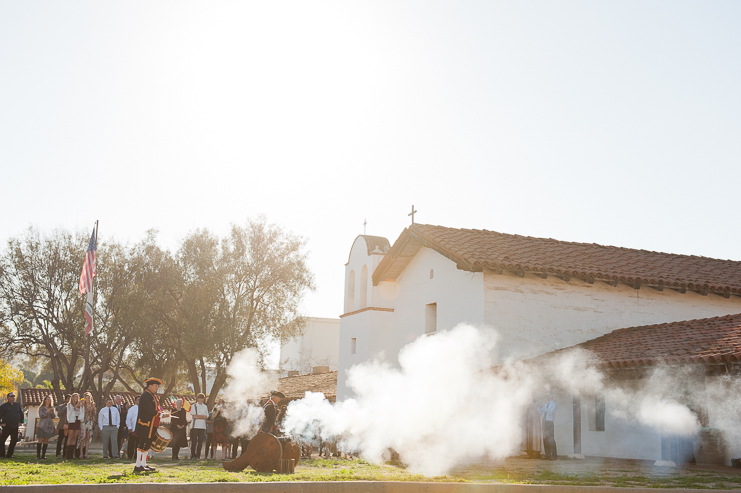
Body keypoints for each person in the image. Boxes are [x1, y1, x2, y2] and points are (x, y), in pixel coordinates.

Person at [134, 377, 164, 473]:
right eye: (155, 385)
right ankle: (138, 465)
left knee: (146, 445)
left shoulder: (150, 395)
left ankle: (143, 464)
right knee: (142, 444)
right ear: (150, 386)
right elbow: (149, 410)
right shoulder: (146, 395)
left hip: (150, 424)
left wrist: (161, 414)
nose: (157, 387)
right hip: (145, 424)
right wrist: (160, 414)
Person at [0, 392, 24, 458]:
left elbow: (21, 414)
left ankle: (9, 455)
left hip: (15, 426)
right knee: (2, 441)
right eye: (11, 396)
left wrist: (20, 422)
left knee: (14, 441)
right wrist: (1, 423)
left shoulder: (17, 405)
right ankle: (2, 454)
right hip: (7, 426)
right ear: (8, 398)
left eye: (14, 396)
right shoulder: (3, 406)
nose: (13, 397)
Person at [539, 392, 558, 460]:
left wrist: (543, 406)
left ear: (552, 396)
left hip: (549, 423)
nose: (547, 397)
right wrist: (539, 407)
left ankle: (554, 455)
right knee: (545, 438)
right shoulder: (546, 404)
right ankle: (548, 455)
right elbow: (541, 413)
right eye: (546, 396)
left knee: (551, 439)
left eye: (548, 395)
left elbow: (550, 413)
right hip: (544, 422)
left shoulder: (554, 404)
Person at [65, 393, 84, 459]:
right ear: (72, 398)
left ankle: (72, 454)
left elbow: (81, 413)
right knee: (70, 436)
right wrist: (75, 407)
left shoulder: (79, 405)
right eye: (75, 397)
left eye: (77, 397)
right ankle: (68, 454)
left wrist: (81, 407)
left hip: (77, 421)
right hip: (71, 421)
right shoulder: (69, 405)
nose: (76, 398)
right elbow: (69, 413)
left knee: (75, 437)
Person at [36, 395, 56, 459]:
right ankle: (38, 455)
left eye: (50, 399)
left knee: (46, 440)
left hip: (49, 426)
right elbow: (41, 416)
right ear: (45, 400)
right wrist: (47, 412)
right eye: (47, 399)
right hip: (42, 426)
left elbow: (54, 417)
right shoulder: (41, 408)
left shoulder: (51, 408)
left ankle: (43, 455)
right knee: (40, 439)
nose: (48, 401)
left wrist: (52, 412)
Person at [189, 393, 208, 460]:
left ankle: (198, 455)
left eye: (202, 398)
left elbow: (206, 416)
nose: (201, 400)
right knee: (194, 441)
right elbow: (194, 416)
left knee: (200, 442)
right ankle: (193, 454)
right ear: (198, 398)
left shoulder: (205, 406)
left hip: (202, 426)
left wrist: (199, 416)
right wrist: (201, 416)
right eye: (200, 398)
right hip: (195, 426)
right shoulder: (194, 406)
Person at [78, 392, 95, 459]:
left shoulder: (92, 404)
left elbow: (93, 414)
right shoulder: (82, 405)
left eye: (88, 398)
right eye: (86, 398)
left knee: (88, 438)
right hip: (83, 422)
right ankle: (81, 454)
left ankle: (86, 454)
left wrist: (93, 408)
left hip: (90, 422)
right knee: (82, 438)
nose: (87, 399)